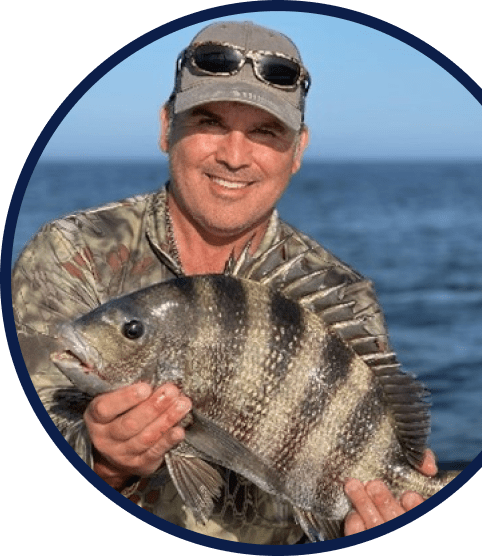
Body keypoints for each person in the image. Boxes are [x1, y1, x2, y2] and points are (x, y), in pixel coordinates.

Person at [12, 21, 438, 543]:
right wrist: (101, 461)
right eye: (210, 122)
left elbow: (377, 464)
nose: (235, 156)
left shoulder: (339, 295)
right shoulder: (69, 253)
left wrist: (371, 527)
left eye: (265, 132)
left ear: (298, 150)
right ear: (167, 127)